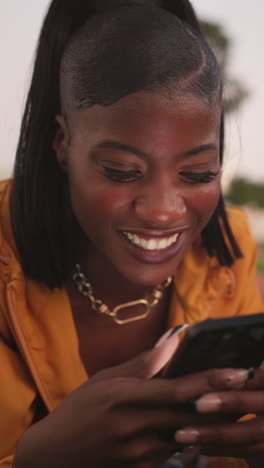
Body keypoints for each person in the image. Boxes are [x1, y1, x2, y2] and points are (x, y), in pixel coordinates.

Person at [1, 0, 264, 467]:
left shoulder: (229, 250)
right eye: (122, 171)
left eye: (199, 173)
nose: (163, 212)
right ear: (62, 143)